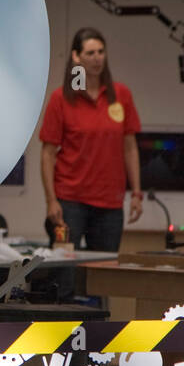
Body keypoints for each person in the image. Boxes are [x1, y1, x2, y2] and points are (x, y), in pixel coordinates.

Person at [39, 27, 143, 252]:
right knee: (63, 269)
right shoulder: (62, 98)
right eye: (90, 53)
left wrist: (136, 192)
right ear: (76, 56)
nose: (97, 59)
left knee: (103, 275)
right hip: (70, 201)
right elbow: (47, 154)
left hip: (109, 203)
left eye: (101, 52)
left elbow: (130, 148)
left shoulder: (121, 95)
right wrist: (51, 200)